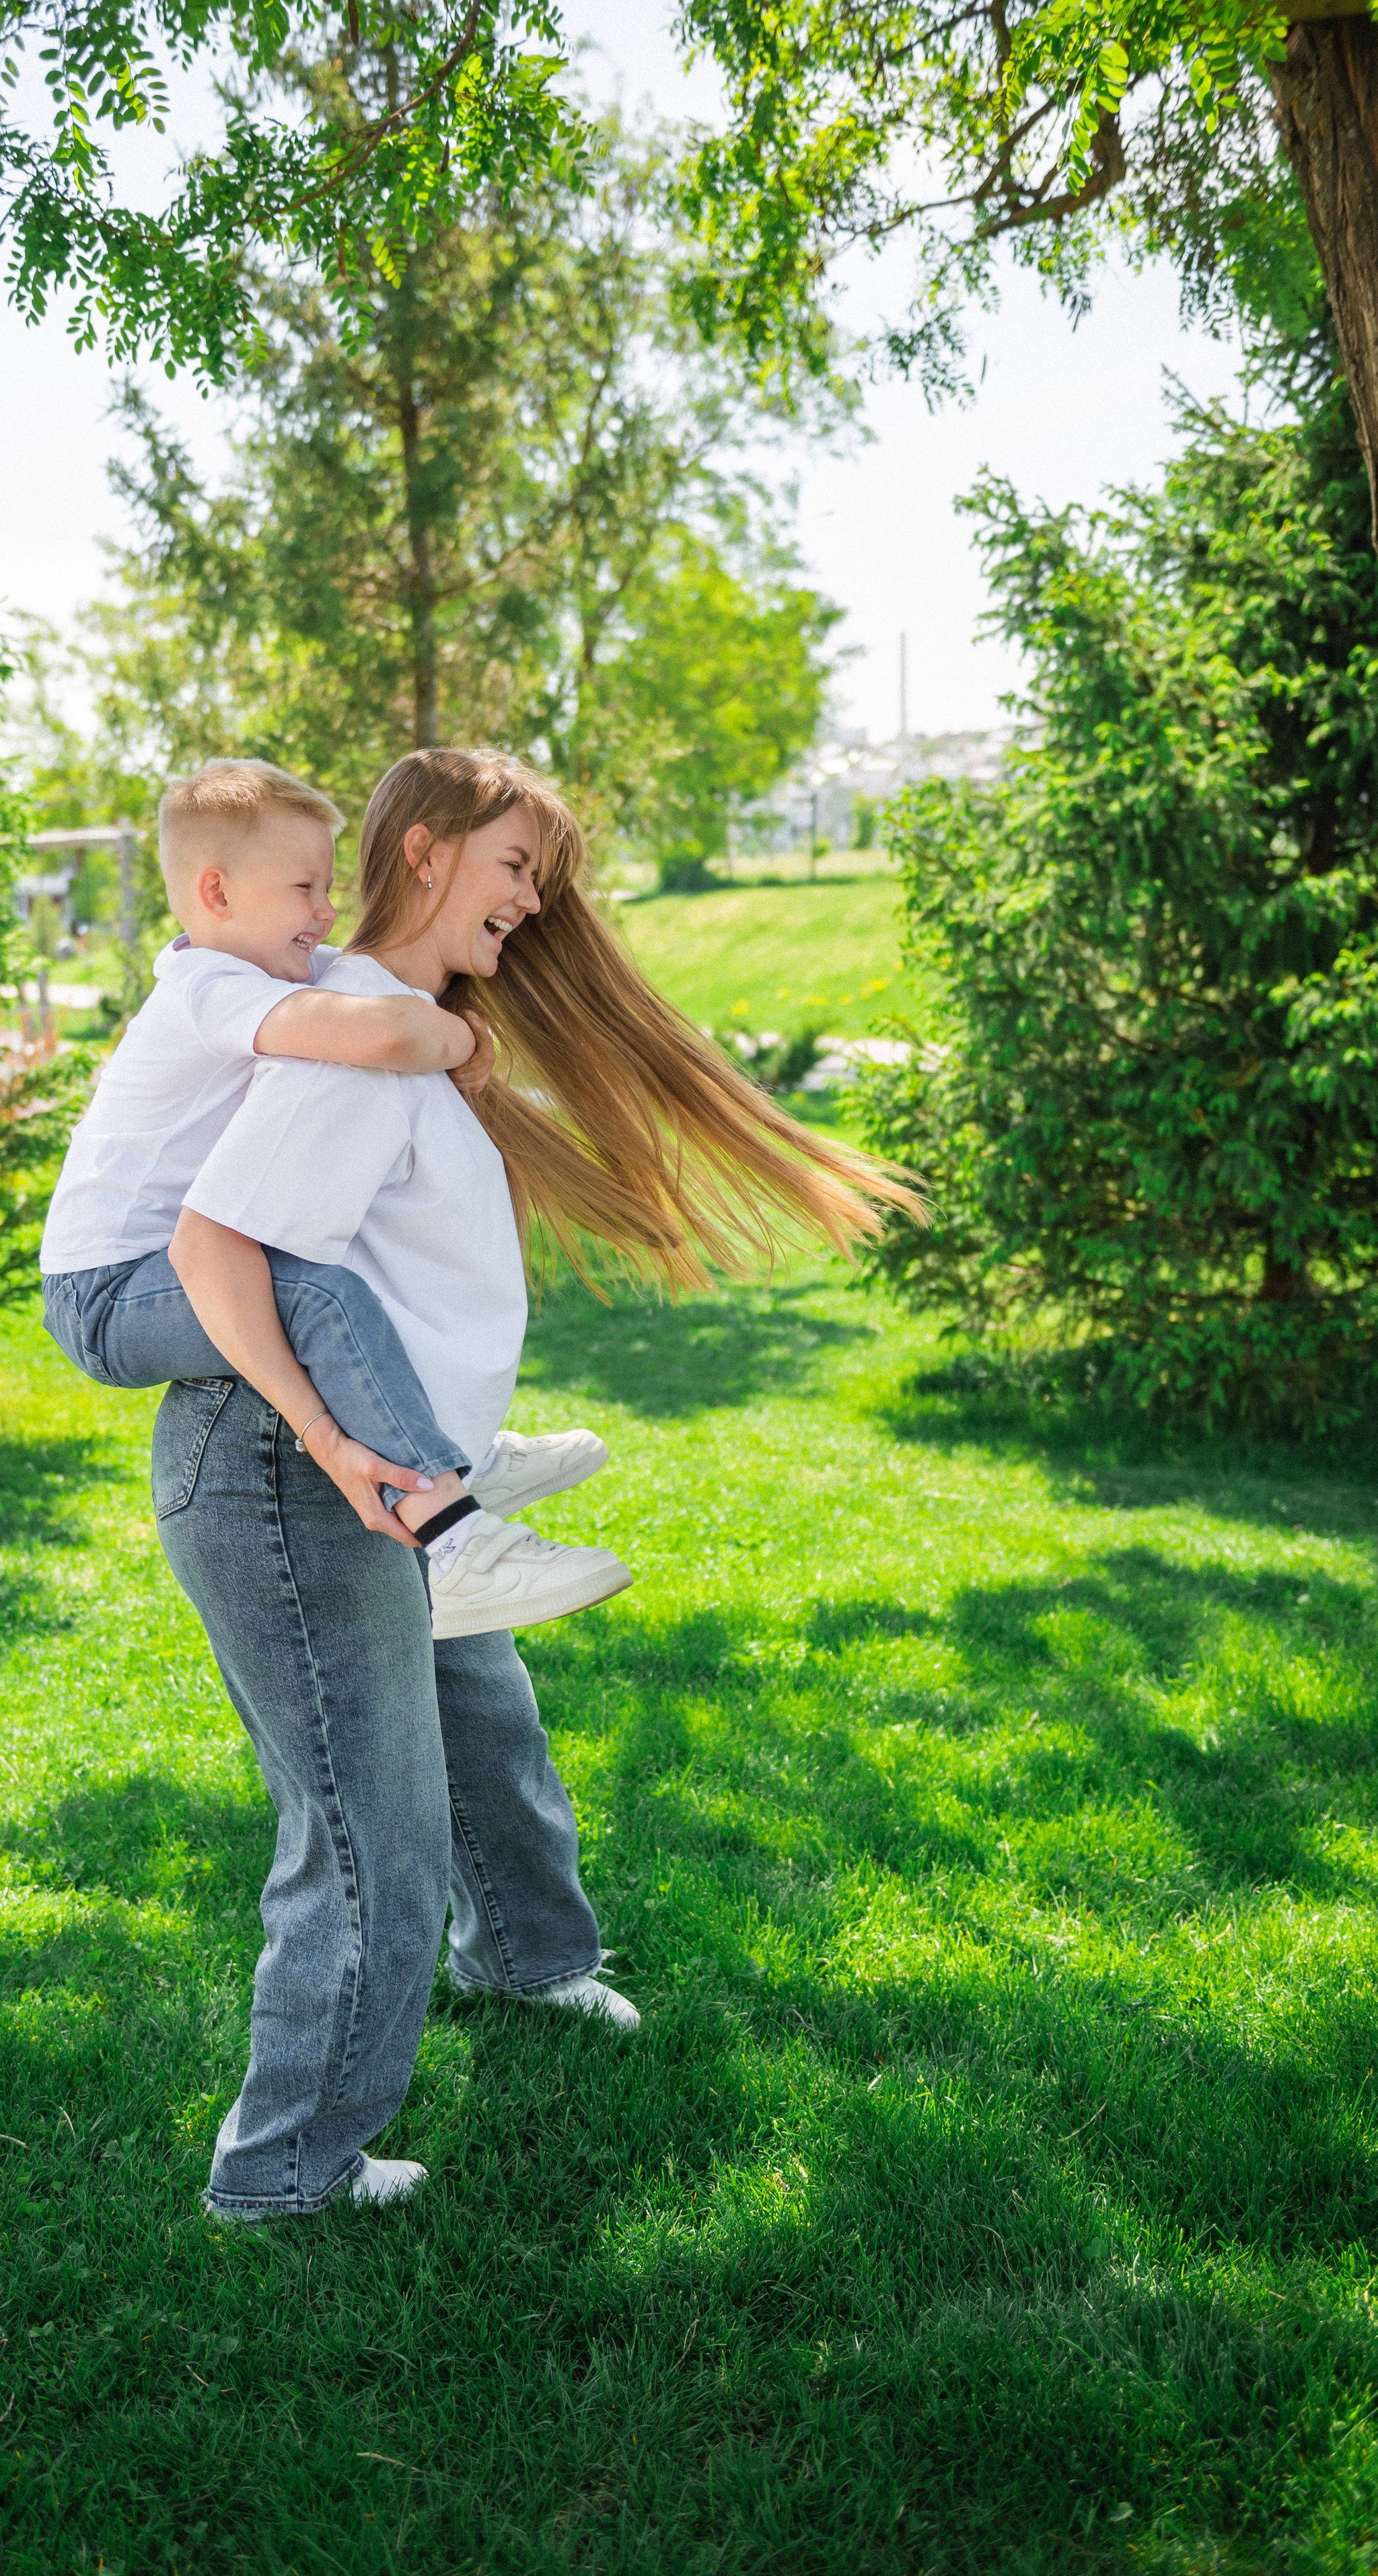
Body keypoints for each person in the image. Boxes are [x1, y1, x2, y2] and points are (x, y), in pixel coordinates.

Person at [155, 746, 924, 2220]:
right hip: (292, 1479)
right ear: (429, 851)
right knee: (368, 1833)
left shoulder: (415, 1032)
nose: (533, 900)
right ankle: (282, 2172)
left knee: (485, 1733)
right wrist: (339, 1455)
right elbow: (220, 1243)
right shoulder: (365, 1034)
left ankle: (523, 1958)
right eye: (517, 865)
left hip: (394, 1477)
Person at [39, 757, 626, 1637]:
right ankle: (454, 1538)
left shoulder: (270, 982)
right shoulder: (209, 987)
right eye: (307, 887)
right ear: (217, 893)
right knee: (318, 1289)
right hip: (107, 1290)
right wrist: (463, 1035)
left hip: (142, 1274)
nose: (327, 912)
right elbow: (383, 1028)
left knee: (327, 1275)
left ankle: (444, 1449)